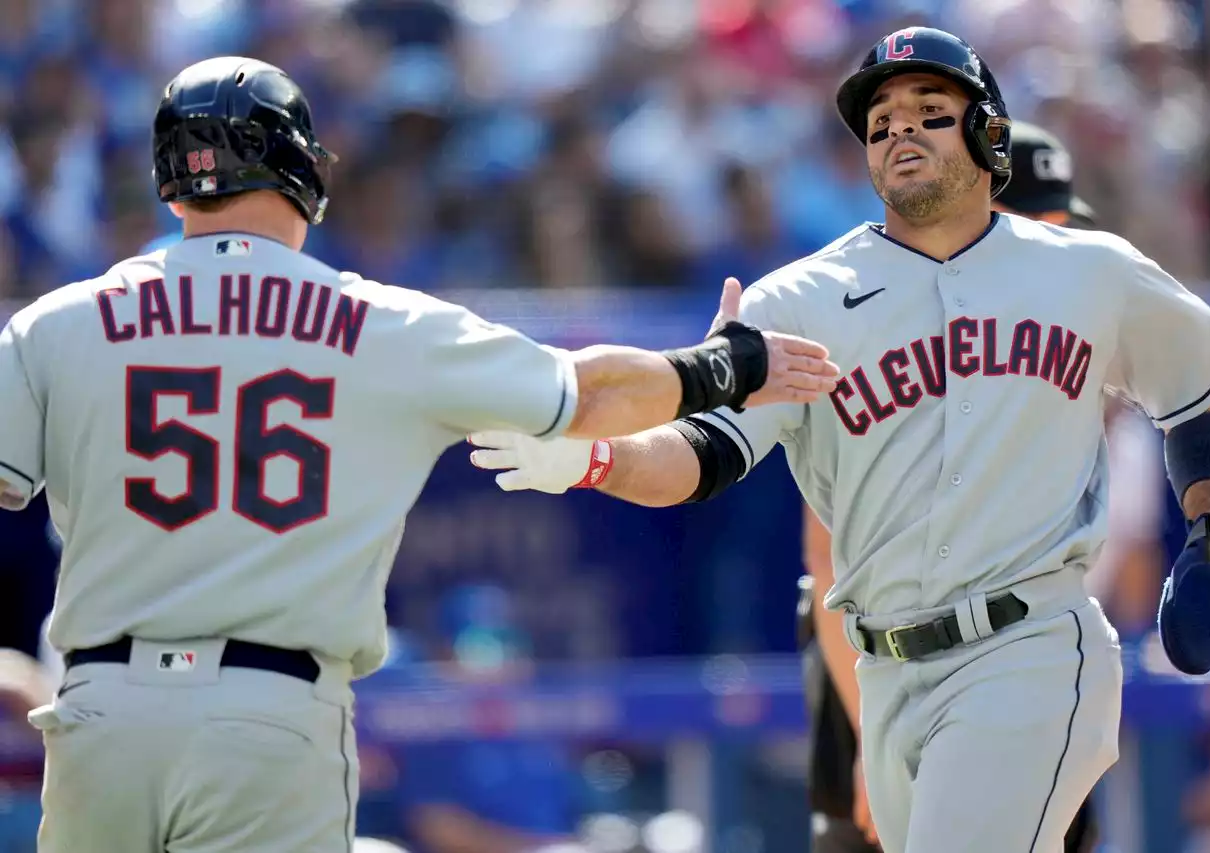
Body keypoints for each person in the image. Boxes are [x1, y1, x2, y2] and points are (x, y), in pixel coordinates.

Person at [0, 57, 840, 853]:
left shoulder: (55, 322)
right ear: (302, 169)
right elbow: (588, 392)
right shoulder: (374, 319)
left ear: (170, 175)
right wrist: (725, 365)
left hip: (100, 711)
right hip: (267, 712)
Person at [468, 27, 1210, 853]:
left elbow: (1199, 390)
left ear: (989, 132)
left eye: (929, 110)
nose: (899, 130)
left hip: (1029, 647)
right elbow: (698, 455)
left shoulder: (1090, 270)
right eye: (880, 121)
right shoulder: (801, 301)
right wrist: (596, 459)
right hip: (883, 671)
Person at [795, 119, 1114, 853]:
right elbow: (827, 559)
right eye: (1044, 224)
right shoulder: (876, 324)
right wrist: (878, 755)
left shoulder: (1056, 343)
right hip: (883, 668)